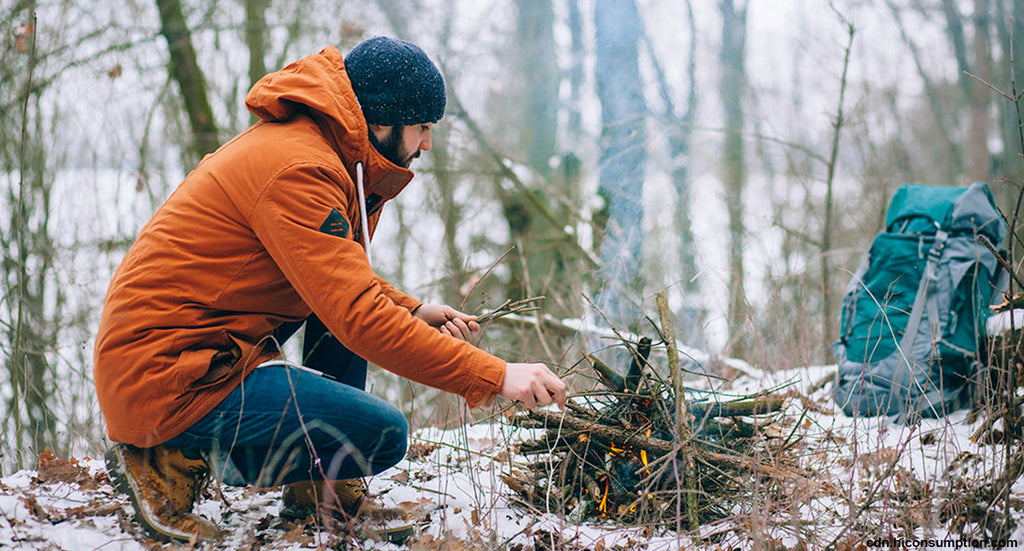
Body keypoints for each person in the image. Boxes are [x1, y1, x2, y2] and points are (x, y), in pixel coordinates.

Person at [95, 36, 566, 543]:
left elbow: (337, 276)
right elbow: (358, 314)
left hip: (201, 355)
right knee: (382, 434)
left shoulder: (325, 153)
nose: (427, 144)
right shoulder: (300, 169)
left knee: (336, 315)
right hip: (169, 376)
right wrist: (496, 377)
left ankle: (319, 490)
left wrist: (411, 308)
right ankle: (163, 457)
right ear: (383, 120)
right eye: (423, 127)